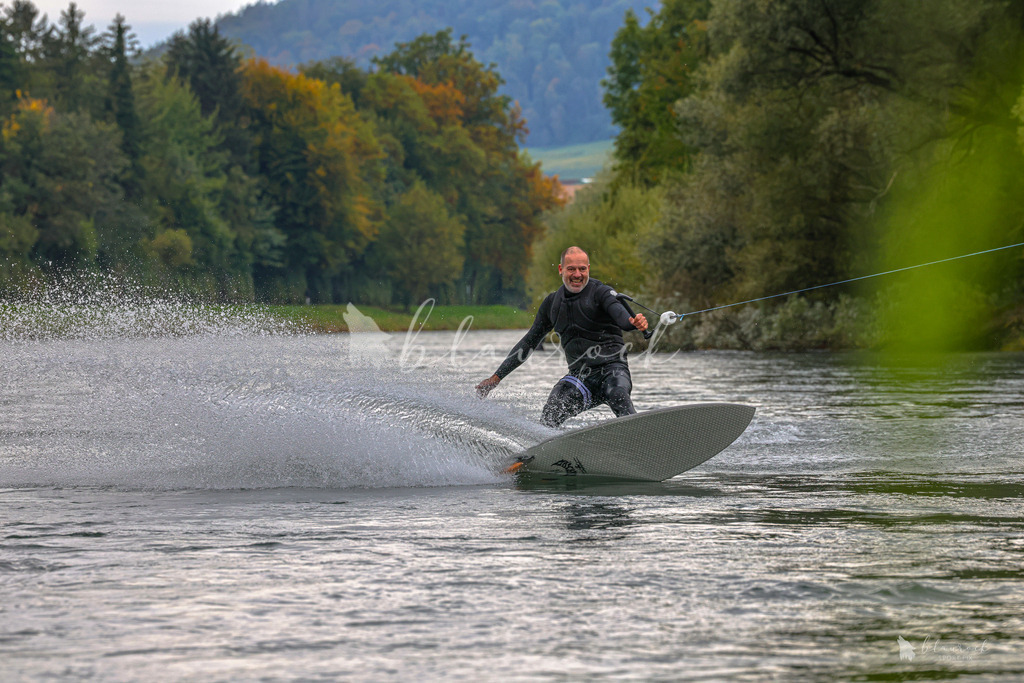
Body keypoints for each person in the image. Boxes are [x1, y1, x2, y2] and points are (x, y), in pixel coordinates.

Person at [475, 246, 648, 427]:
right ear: (561, 270)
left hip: (613, 371)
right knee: (552, 411)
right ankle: (546, 452)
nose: (577, 274)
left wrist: (633, 322)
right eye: (571, 269)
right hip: (580, 379)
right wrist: (496, 378)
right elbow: (529, 342)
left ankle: (640, 438)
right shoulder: (552, 304)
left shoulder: (601, 292)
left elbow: (622, 316)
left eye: (582, 269)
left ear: (588, 268)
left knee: (617, 394)